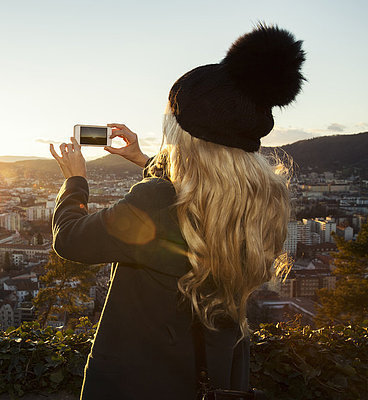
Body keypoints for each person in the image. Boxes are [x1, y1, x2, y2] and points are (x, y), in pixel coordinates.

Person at [49, 23, 305, 399]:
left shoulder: (157, 201)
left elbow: (69, 240)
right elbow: (196, 193)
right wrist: (140, 157)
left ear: (184, 134)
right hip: (216, 373)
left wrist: (75, 181)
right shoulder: (264, 199)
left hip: (145, 377)